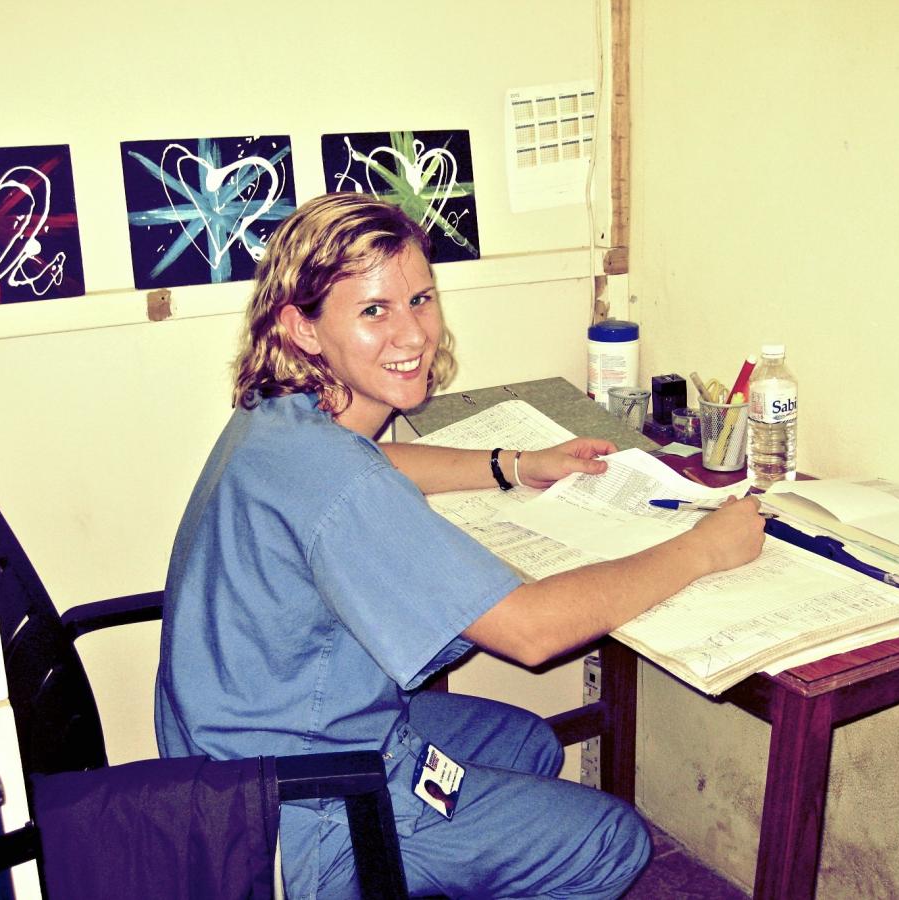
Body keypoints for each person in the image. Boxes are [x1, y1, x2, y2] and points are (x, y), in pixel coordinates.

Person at [154, 193, 765, 899]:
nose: (412, 334)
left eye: (420, 298)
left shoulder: (281, 418)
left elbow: (373, 468)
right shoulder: (336, 478)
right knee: (611, 841)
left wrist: (512, 464)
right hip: (304, 814)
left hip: (234, 760)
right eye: (373, 311)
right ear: (304, 328)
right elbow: (530, 632)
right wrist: (702, 549)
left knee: (527, 744)